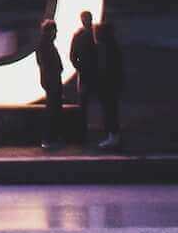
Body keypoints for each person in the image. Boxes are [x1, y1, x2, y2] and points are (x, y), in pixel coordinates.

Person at [68, 10, 101, 143]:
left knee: (86, 101)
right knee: (88, 101)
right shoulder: (94, 33)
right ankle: (86, 130)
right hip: (90, 72)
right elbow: (73, 55)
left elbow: (72, 55)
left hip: (89, 72)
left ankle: (85, 130)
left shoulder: (80, 35)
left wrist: (79, 67)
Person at [93, 16, 125, 148]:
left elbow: (107, 70)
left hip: (109, 86)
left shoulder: (107, 50)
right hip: (110, 86)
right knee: (110, 110)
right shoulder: (111, 48)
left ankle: (113, 137)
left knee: (110, 111)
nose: (95, 36)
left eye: (97, 33)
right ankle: (113, 136)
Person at [36, 16, 66, 148]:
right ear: (50, 31)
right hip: (52, 81)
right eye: (55, 30)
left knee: (53, 110)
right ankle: (49, 139)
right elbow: (46, 65)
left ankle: (51, 138)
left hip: (51, 80)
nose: (56, 33)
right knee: (53, 111)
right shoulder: (45, 45)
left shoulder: (45, 44)